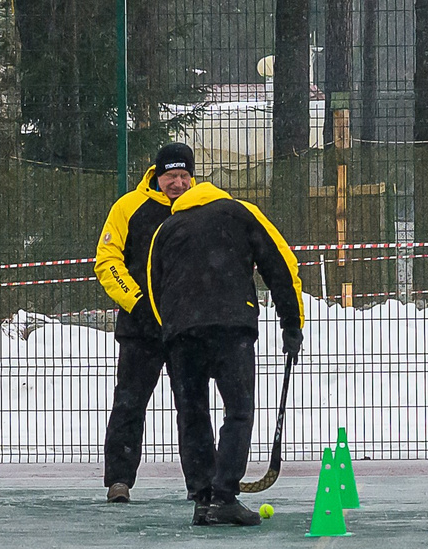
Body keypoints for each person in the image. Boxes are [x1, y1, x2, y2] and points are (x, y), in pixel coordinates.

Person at [141, 142, 303, 527]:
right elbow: (280, 266)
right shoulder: (240, 212)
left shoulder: (166, 229)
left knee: (192, 412)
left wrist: (171, 328)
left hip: (183, 334)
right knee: (238, 411)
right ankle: (225, 495)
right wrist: (291, 323)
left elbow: (153, 286)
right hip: (232, 329)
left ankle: (202, 496)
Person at [92, 151, 179, 502]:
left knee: (193, 407)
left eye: (185, 176)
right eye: (171, 176)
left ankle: (202, 484)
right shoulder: (128, 207)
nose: (178, 183)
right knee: (129, 404)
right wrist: (137, 302)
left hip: (186, 327)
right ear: (156, 174)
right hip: (139, 329)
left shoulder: (201, 208)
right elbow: (107, 260)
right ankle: (119, 481)